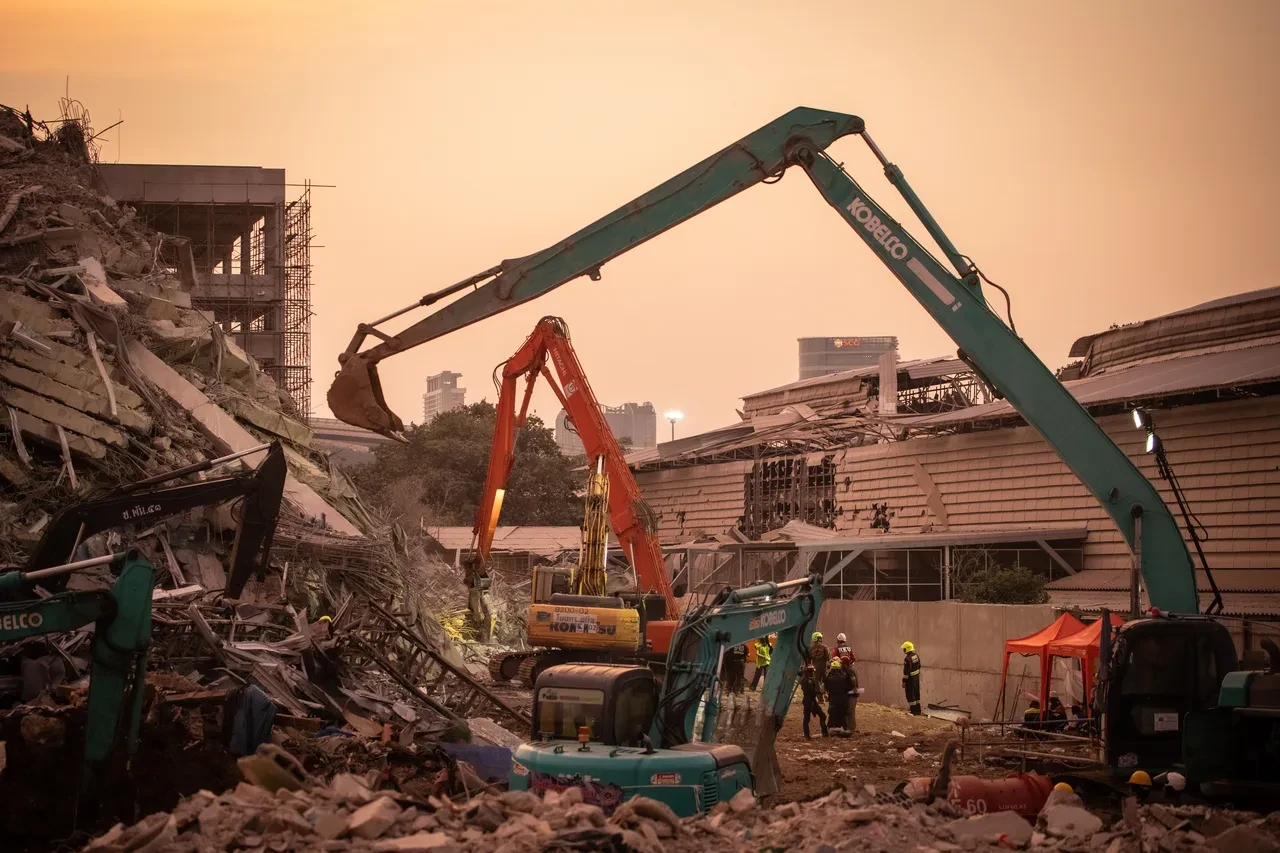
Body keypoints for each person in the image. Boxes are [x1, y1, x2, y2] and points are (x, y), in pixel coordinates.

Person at [825, 658, 853, 734]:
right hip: (843, 699)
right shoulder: (845, 678)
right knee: (842, 715)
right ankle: (843, 728)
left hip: (833, 700)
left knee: (832, 714)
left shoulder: (829, 679)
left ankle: (831, 728)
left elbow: (826, 688)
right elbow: (849, 687)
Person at [800, 663, 827, 739]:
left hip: (808, 700)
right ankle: (824, 733)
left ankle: (807, 734)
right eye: (812, 672)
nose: (813, 673)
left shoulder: (804, 679)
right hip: (810, 700)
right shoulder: (809, 680)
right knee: (821, 716)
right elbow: (810, 691)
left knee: (807, 718)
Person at [901, 641, 922, 715]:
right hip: (916, 678)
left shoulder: (907, 659)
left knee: (910, 695)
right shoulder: (916, 656)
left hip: (910, 680)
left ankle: (913, 711)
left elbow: (906, 672)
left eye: (904, 649)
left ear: (907, 649)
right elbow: (919, 666)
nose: (903, 650)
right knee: (916, 694)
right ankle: (918, 710)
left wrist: (904, 681)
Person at [844, 653, 860, 733]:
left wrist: (854, 687)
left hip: (852, 694)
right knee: (848, 711)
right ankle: (849, 727)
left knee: (850, 711)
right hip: (851, 693)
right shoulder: (849, 669)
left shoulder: (849, 670)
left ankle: (851, 728)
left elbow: (853, 678)